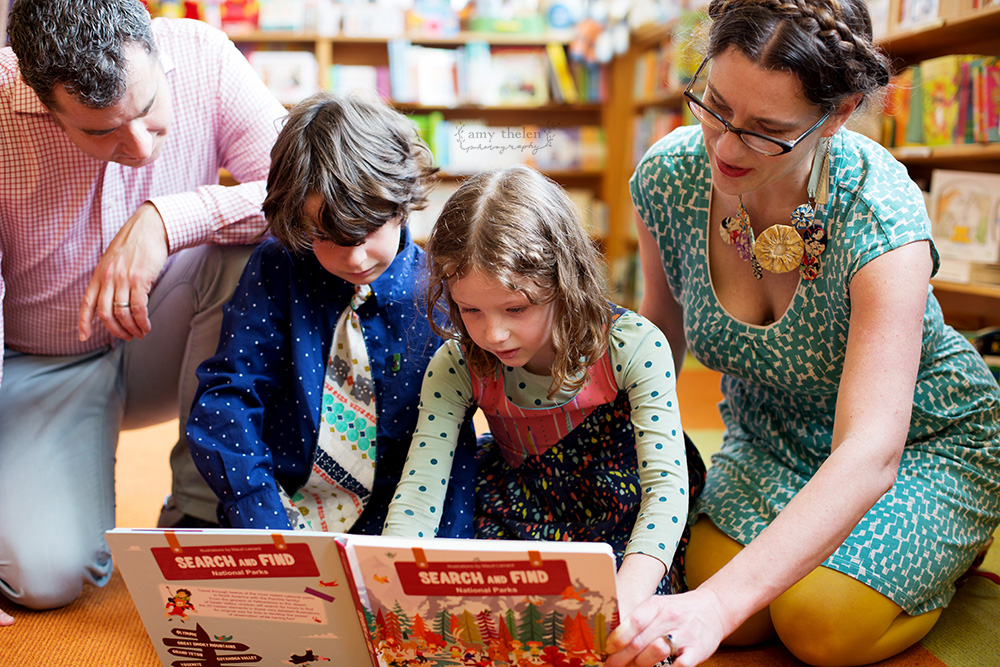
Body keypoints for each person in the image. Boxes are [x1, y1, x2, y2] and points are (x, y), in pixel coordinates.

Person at [606, 1, 1000, 666]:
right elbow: (657, 335)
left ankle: (952, 545)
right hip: (770, 439)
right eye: (716, 104)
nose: (724, 146)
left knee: (818, 624)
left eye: (766, 130)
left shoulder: (879, 209)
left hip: (917, 446)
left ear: (839, 113)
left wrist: (717, 604)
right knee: (708, 591)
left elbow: (872, 446)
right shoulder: (669, 176)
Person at [0, 0, 286, 624]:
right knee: (46, 577)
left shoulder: (201, 54)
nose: (138, 148)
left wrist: (168, 218)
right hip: (37, 363)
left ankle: (198, 507)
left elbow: (302, 191)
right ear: (40, 101)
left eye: (149, 111)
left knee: (256, 257)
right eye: (100, 131)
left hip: (173, 334)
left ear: (155, 52)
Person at [382, 165, 706, 612]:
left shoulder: (632, 345)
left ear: (564, 281)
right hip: (519, 507)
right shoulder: (456, 362)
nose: (493, 335)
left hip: (624, 515)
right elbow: (421, 489)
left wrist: (625, 599)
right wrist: (388, 583)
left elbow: (665, 491)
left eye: (516, 308)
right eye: (470, 309)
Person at [186, 91, 476, 536]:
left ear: (401, 202)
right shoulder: (276, 269)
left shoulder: (440, 292)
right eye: (329, 237)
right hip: (279, 510)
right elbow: (229, 401)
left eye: (368, 230)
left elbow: (453, 445)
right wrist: (264, 519)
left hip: (401, 521)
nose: (357, 259)